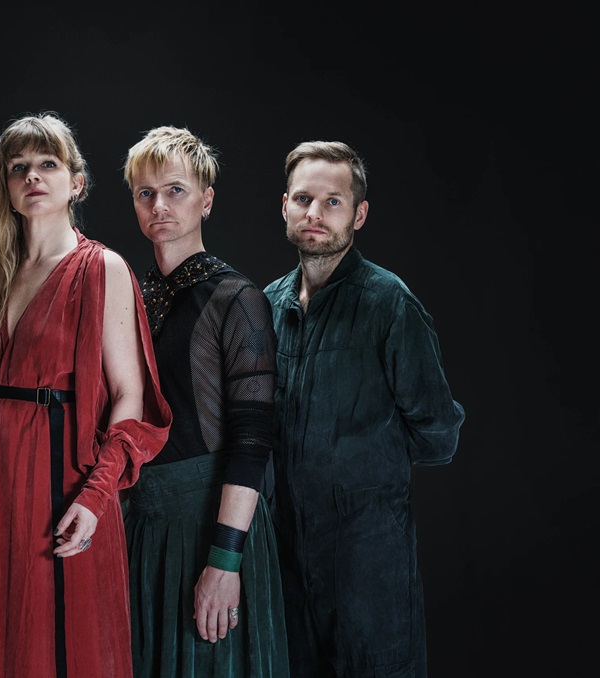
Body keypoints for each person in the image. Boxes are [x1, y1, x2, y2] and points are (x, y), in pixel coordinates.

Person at [0, 112, 172, 678]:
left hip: (64, 479)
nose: (32, 176)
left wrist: (95, 497)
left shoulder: (102, 268)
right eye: (18, 167)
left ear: (77, 182)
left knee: (57, 642)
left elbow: (130, 396)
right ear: (5, 186)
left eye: (48, 164)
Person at [263, 140, 466, 677]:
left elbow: (438, 434)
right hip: (285, 560)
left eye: (333, 201)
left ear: (359, 214)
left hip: (369, 562)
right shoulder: (268, 306)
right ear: (285, 206)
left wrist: (361, 470)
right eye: (304, 199)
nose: (315, 213)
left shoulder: (388, 303)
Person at [120, 126, 290, 678]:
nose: (159, 206)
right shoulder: (128, 299)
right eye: (146, 193)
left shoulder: (238, 298)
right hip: (143, 527)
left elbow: (253, 442)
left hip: (214, 528)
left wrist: (224, 561)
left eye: (175, 190)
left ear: (206, 200)